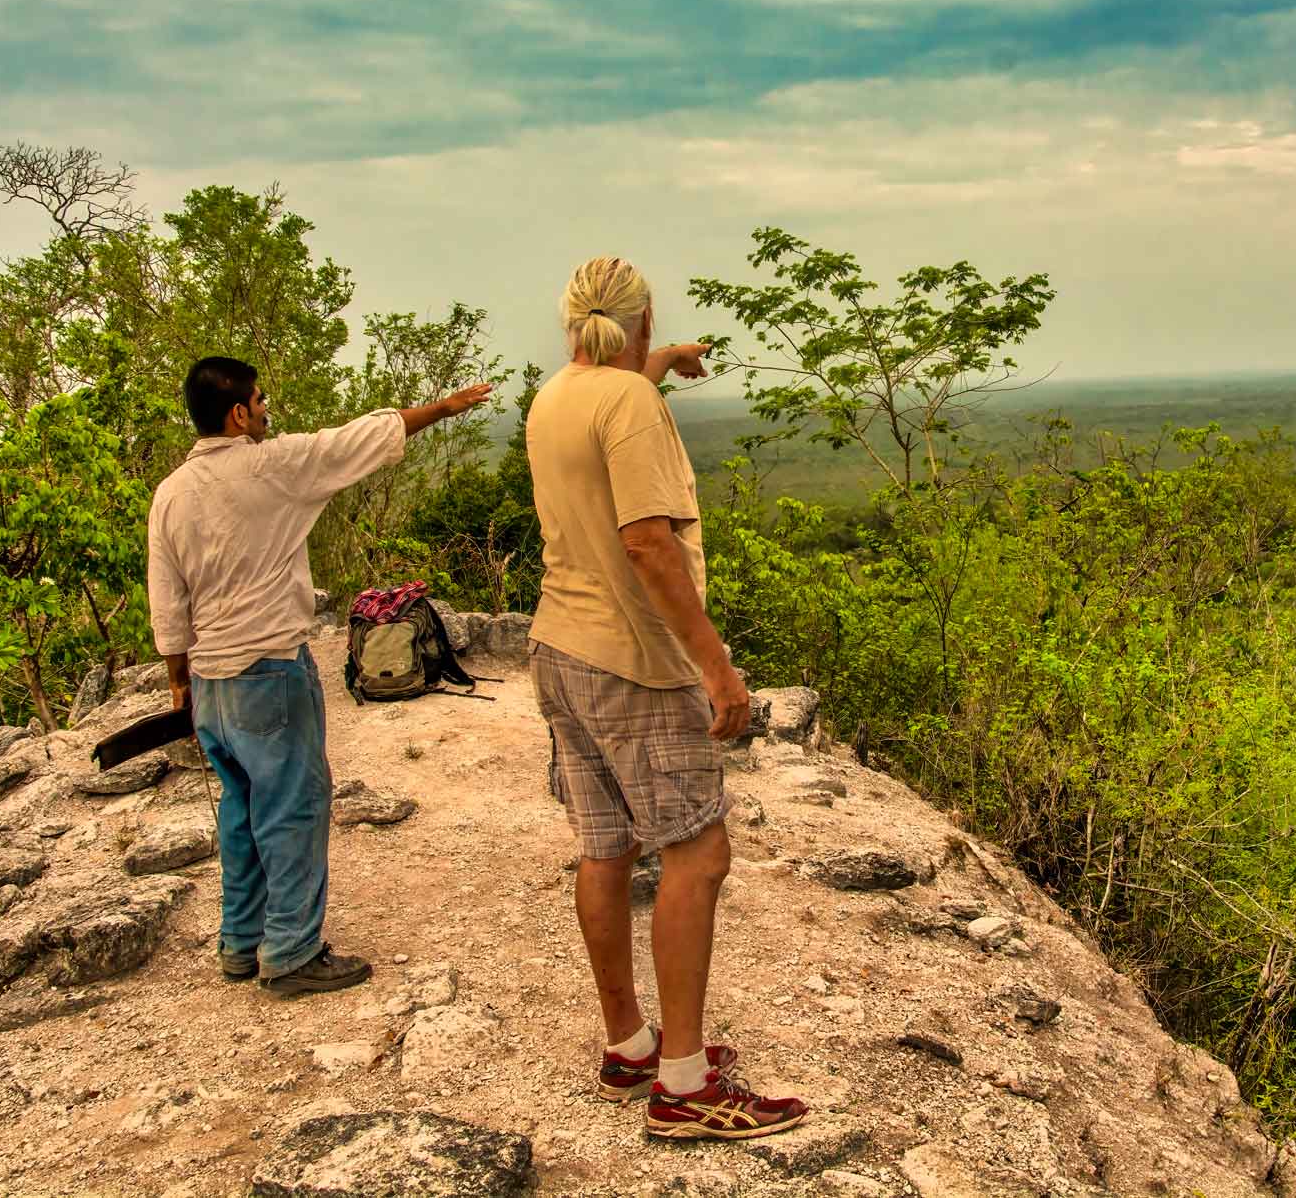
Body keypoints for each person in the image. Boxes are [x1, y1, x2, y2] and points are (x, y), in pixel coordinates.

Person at [526, 256, 808, 1140]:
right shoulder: (631, 405)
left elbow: (617, 393)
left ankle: (630, 1046)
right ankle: (684, 1086)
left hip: (558, 644)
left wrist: (665, 360)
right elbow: (649, 542)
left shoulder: (556, 395)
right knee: (699, 852)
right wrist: (716, 667)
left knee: (604, 847)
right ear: (639, 321)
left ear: (574, 324)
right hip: (635, 662)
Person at [147, 357, 492, 998]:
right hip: (269, 667)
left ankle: (242, 943)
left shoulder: (171, 491)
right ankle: (293, 951)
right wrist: (442, 408)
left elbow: (167, 600)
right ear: (238, 414)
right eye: (260, 399)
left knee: (241, 809)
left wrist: (180, 679)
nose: (267, 409)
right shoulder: (272, 465)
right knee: (293, 808)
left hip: (210, 679)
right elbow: (364, 437)